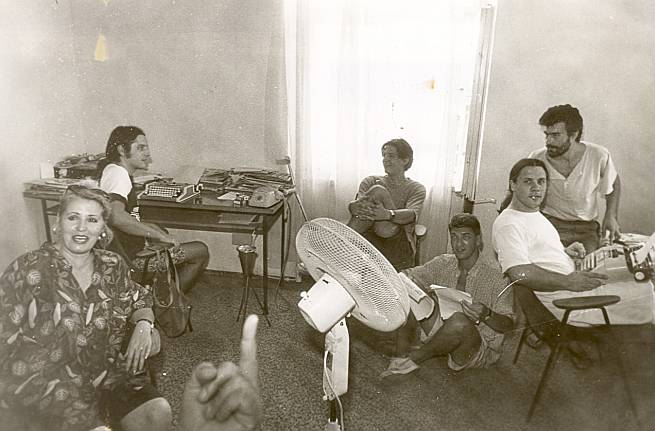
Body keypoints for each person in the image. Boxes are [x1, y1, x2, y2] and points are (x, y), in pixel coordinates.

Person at [0, 185, 170, 431]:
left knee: (157, 412)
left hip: (104, 369)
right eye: (73, 218)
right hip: (45, 378)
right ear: (58, 222)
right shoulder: (29, 268)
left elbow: (139, 298)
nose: (81, 228)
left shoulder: (112, 265)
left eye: (92, 220)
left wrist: (144, 325)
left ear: (102, 228)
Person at [492, 158, 654, 328]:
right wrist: (568, 281)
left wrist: (564, 252)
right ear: (513, 185)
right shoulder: (508, 224)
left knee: (638, 272)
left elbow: (536, 253)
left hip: (572, 286)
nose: (536, 187)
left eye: (541, 181)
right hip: (569, 302)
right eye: (528, 181)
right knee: (646, 289)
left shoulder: (530, 214)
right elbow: (518, 272)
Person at [380, 213, 514, 377]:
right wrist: (402, 278)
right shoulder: (444, 262)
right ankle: (400, 354)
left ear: (478, 240)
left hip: (474, 345)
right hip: (442, 329)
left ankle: (412, 360)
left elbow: (509, 325)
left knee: (459, 321)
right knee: (407, 286)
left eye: (466, 237)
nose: (458, 244)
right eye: (454, 237)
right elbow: (409, 274)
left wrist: (486, 314)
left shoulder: (498, 276)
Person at [98, 126, 209, 294]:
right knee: (200, 251)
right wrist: (158, 235)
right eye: (140, 148)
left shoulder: (111, 170)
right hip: (131, 262)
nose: (148, 153)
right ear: (121, 150)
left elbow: (125, 215)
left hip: (119, 254)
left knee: (161, 231)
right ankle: (166, 303)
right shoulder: (119, 175)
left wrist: (153, 229)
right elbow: (116, 216)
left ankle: (154, 296)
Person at [528, 104, 621, 252]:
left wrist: (611, 216)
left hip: (586, 229)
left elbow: (614, 182)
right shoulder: (537, 158)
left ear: (574, 135)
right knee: (553, 262)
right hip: (549, 226)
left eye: (555, 135)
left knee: (588, 264)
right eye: (547, 135)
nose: (548, 141)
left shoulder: (598, 155)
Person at [347, 138, 426, 270]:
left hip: (396, 242)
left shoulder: (416, 188)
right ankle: (344, 241)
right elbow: (360, 207)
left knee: (378, 191)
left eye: (391, 156)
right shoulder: (370, 181)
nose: (385, 159)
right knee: (376, 190)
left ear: (405, 160)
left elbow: (411, 214)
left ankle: (341, 241)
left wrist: (386, 214)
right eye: (384, 155)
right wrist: (352, 206)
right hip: (368, 238)